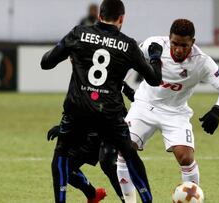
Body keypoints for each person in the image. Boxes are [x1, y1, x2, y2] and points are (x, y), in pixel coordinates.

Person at [40, 0, 162, 202]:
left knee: (61, 153)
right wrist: (156, 57)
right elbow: (154, 79)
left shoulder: (78, 33)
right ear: (122, 19)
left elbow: (46, 62)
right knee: (129, 154)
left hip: (78, 109)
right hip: (110, 113)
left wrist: (67, 48)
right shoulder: (128, 45)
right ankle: (146, 200)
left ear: (99, 15)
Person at [116, 19, 219, 203]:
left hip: (176, 112)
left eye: (184, 45)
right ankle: (129, 201)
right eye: (175, 43)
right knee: (124, 149)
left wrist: (217, 110)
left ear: (192, 42)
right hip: (144, 105)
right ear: (169, 38)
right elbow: (128, 61)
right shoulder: (152, 45)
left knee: (185, 157)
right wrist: (123, 85)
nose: (179, 49)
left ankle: (192, 200)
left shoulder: (202, 62)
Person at [46, 82, 135, 203]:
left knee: (108, 163)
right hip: (89, 129)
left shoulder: (101, 70)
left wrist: (135, 99)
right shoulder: (79, 74)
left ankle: (127, 200)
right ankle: (92, 195)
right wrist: (64, 127)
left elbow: (121, 84)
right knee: (63, 166)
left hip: (112, 124)